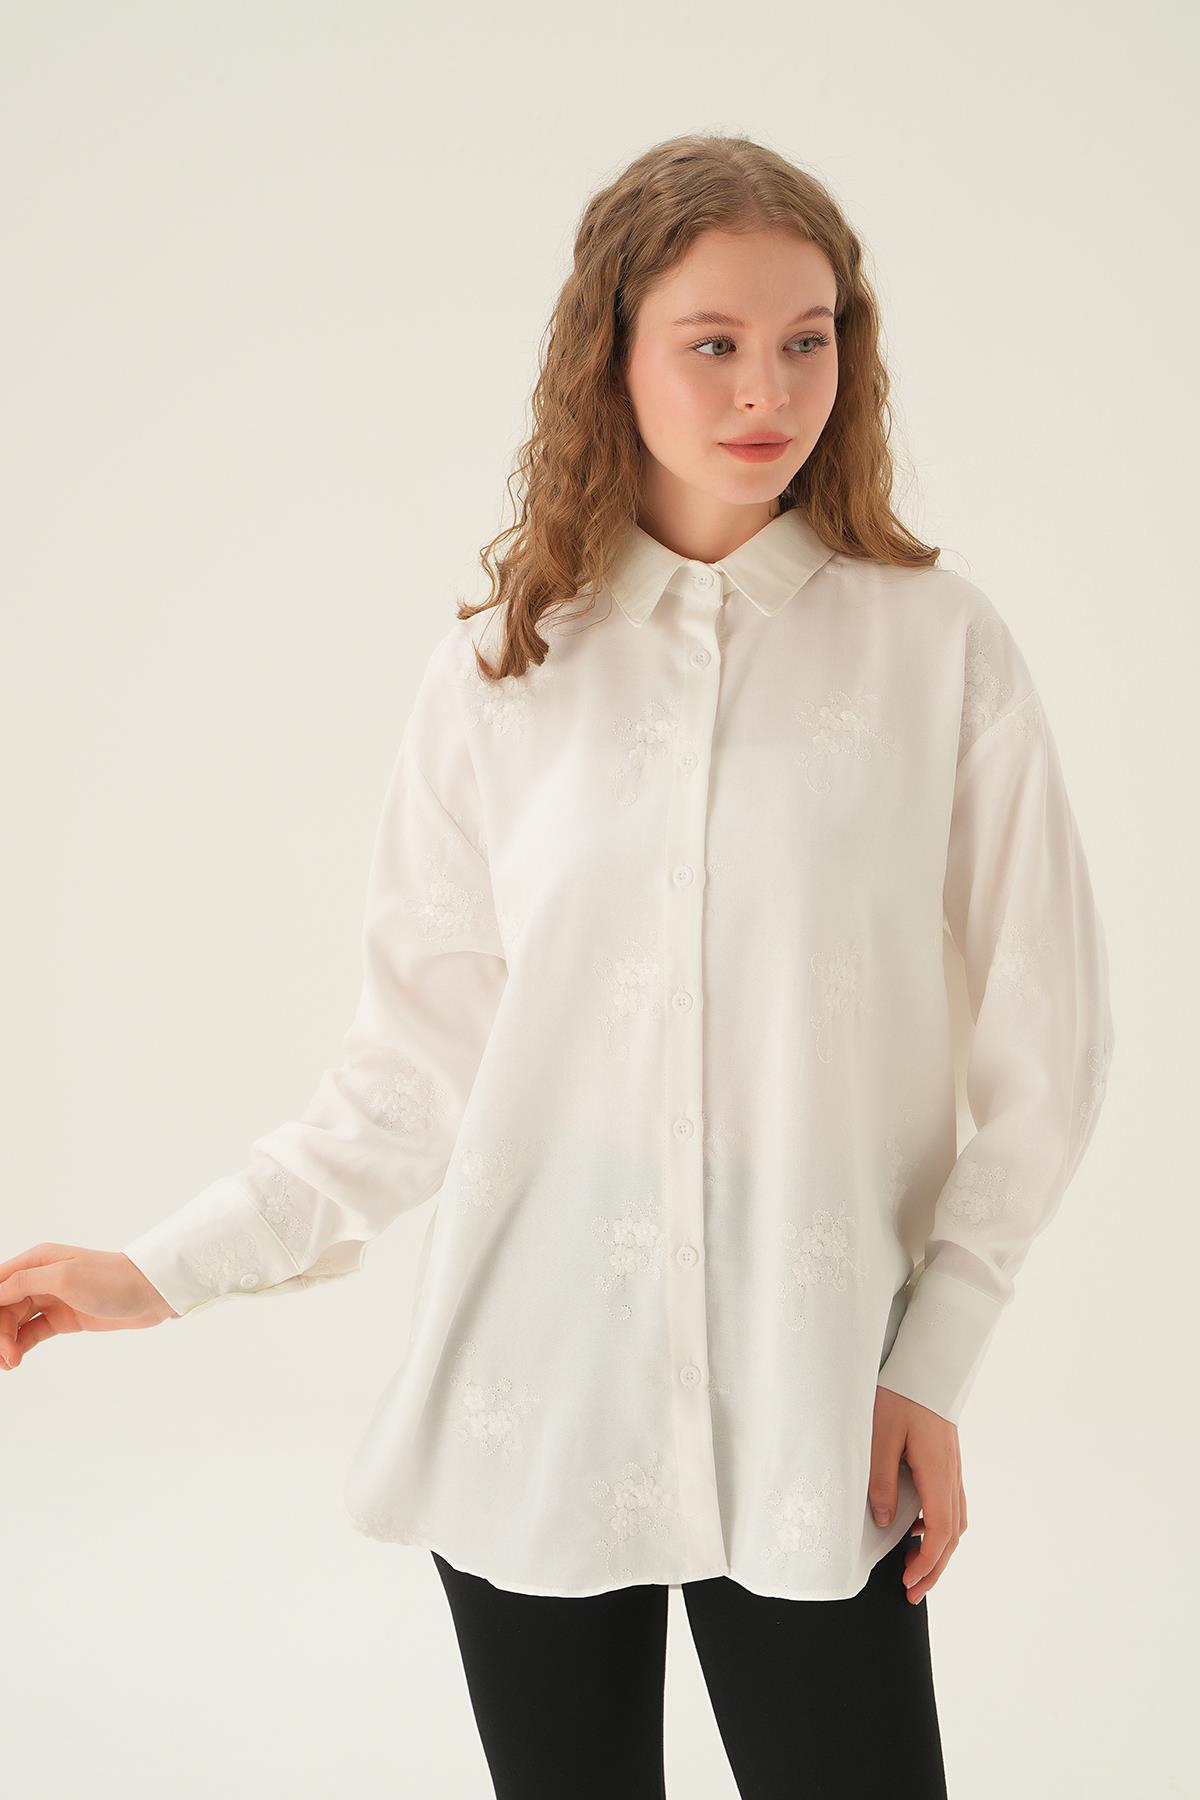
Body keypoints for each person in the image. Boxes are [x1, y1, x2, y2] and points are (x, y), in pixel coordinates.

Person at [0, 132, 1114, 1798]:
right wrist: (155, 1273)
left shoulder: (936, 646)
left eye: (807, 339)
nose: (770, 390)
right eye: (714, 342)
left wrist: (931, 1360)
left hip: (819, 1395)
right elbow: (408, 1083)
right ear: (613, 355)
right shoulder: (498, 673)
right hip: (532, 1391)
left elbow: (1050, 1044)